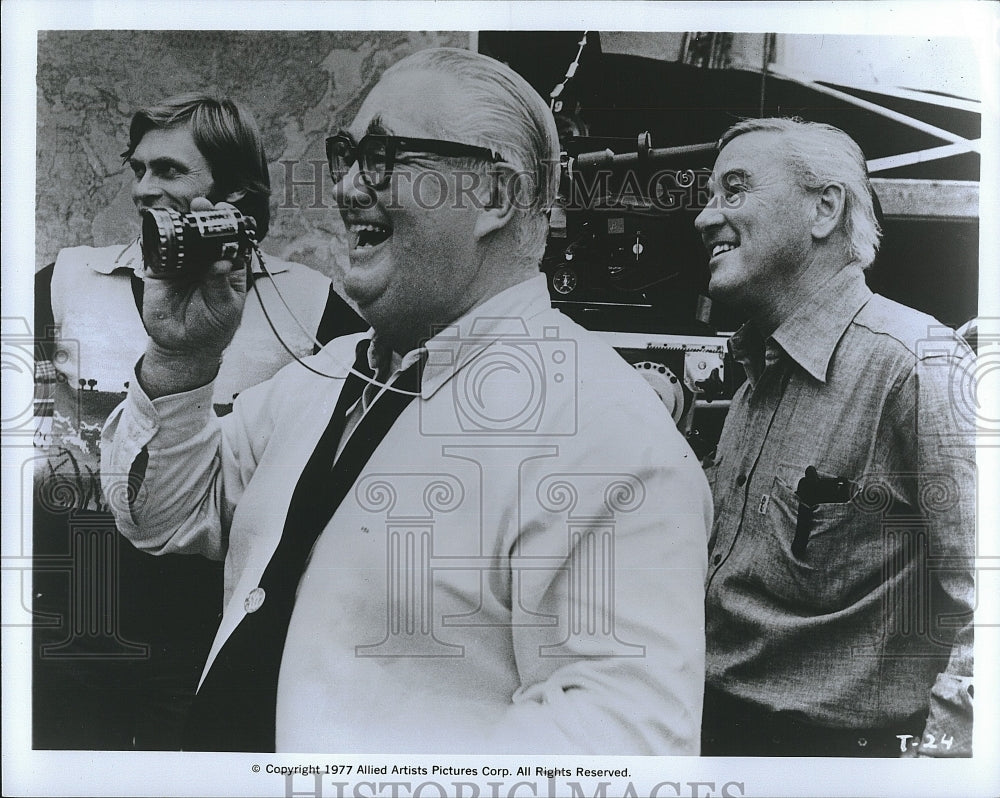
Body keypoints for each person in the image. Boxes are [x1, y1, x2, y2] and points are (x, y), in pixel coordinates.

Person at [101, 48, 711, 754]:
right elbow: (161, 517)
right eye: (347, 156)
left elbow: (618, 744)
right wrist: (182, 360)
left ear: (493, 195)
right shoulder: (324, 375)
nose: (350, 188)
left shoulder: (606, 434)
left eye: (385, 155)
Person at [33, 92, 364, 749]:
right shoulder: (69, 278)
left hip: (210, 623)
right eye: (139, 170)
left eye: (170, 172)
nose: (144, 189)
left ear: (237, 191)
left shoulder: (307, 304)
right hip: (77, 612)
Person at [694, 117, 975, 757]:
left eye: (733, 191)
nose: (705, 219)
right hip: (715, 739)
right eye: (710, 196)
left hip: (840, 758)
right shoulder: (751, 381)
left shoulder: (917, 365)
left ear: (825, 208)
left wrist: (941, 763)